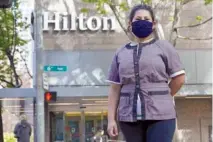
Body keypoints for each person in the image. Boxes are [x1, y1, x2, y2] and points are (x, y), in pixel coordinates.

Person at [106, 4, 185, 142]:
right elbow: (114, 89)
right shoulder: (121, 52)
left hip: (162, 117)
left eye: (146, 19)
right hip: (128, 118)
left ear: (153, 24)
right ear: (130, 24)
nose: (142, 21)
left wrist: (162, 97)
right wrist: (111, 120)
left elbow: (179, 79)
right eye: (138, 19)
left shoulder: (164, 47)